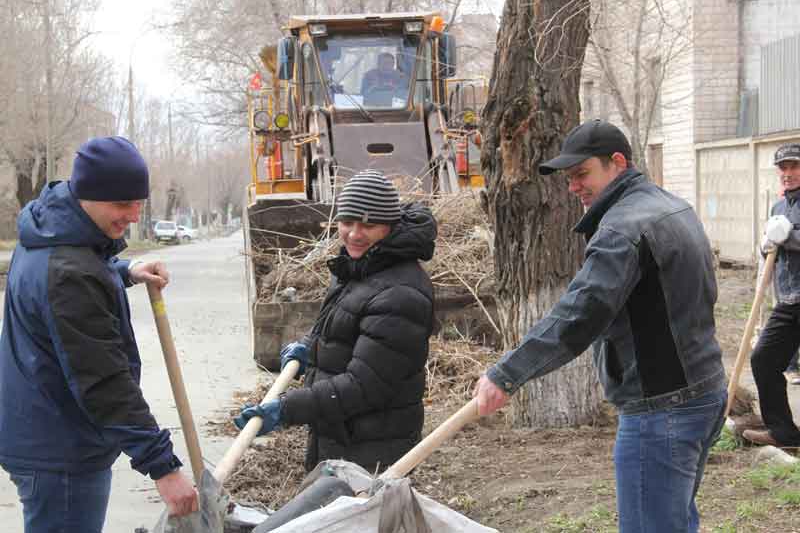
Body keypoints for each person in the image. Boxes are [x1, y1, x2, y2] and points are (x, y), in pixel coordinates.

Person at [473, 119, 727, 533]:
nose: (573, 186)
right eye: (569, 177)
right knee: (673, 521)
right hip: (703, 393)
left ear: (618, 162)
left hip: (661, 410)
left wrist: (507, 374)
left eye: (582, 174)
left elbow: (580, 313)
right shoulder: (672, 206)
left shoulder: (622, 229)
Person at [0, 137, 198, 533]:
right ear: (88, 196)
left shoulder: (51, 230)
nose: (133, 215)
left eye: (138, 203)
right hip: (60, 449)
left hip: (40, 428)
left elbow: (73, 278)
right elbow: (104, 382)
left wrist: (122, 272)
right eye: (122, 205)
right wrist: (163, 466)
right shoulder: (70, 274)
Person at [235, 170, 437, 473]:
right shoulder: (359, 264)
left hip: (374, 452)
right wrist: (309, 348)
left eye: (368, 225)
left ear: (389, 227)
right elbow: (338, 323)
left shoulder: (400, 294)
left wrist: (288, 408)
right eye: (347, 222)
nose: (354, 234)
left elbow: (365, 386)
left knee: (358, 520)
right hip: (342, 436)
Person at [743, 143, 800, 447]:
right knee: (764, 359)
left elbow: (787, 239)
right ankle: (783, 433)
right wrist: (766, 247)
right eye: (784, 168)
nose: (788, 174)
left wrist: (788, 237)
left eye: (794, 167)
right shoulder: (779, 208)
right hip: (789, 300)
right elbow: (773, 248)